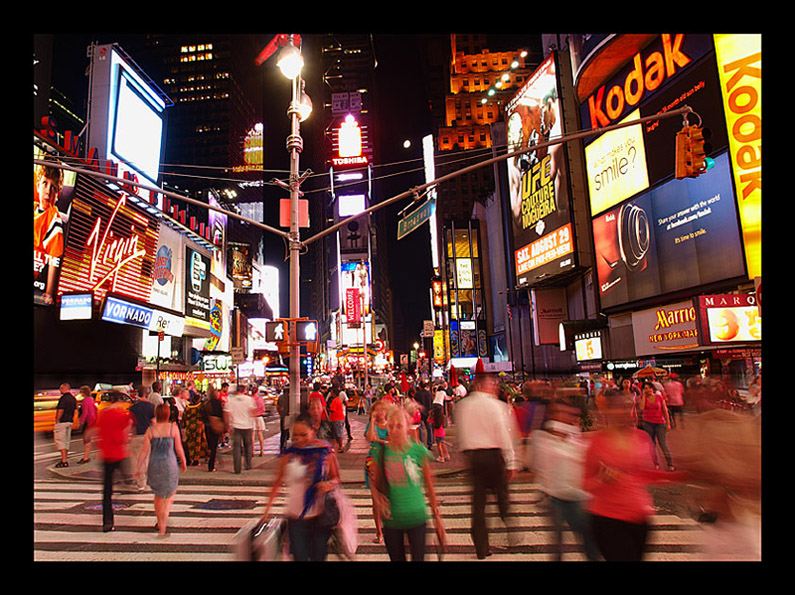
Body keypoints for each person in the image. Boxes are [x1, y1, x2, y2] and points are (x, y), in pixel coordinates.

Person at [583, 390, 686, 561]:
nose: (624, 411)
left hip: (640, 517)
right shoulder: (597, 442)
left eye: (626, 406)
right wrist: (600, 480)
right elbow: (583, 483)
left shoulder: (642, 437)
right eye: (617, 407)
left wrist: (682, 475)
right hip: (607, 518)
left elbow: (645, 474)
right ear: (606, 411)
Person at [260, 412, 341, 561]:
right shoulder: (289, 455)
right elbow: (276, 482)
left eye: (304, 434)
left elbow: (336, 478)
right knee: (299, 557)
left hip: (320, 518)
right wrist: (267, 510)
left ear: (313, 431)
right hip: (296, 518)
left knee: (318, 557)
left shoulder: (325, 452)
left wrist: (328, 484)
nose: (299, 439)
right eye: (295, 435)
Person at [455, 372, 519, 559]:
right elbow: (504, 433)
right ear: (484, 385)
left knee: (478, 505)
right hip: (494, 455)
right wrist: (512, 461)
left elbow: (462, 434)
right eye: (493, 384)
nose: (495, 388)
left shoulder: (463, 406)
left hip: (474, 458)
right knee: (502, 495)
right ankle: (509, 525)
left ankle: (481, 547)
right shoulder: (496, 406)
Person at [370, 405, 446, 562]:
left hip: (417, 517)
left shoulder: (418, 451)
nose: (395, 430)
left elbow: (430, 485)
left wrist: (437, 518)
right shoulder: (381, 453)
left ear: (407, 427)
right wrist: (379, 500)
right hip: (392, 520)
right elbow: (374, 483)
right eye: (391, 426)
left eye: (399, 426)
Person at [530, 400, 601, 561]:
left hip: (579, 499)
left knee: (589, 544)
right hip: (554, 498)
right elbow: (536, 465)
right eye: (558, 412)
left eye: (568, 413)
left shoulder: (578, 438)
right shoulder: (542, 439)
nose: (563, 416)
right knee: (558, 546)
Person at [135, 403, 187, 536]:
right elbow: (178, 448)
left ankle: (160, 522)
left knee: (158, 496)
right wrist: (183, 461)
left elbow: (144, 451)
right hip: (169, 463)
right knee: (169, 495)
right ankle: (163, 525)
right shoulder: (173, 428)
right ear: (168, 414)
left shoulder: (150, 430)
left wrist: (138, 467)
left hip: (154, 464)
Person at [96, 391, 134, 532]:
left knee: (107, 491)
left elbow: (94, 430)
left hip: (106, 455)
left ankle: (107, 521)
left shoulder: (103, 415)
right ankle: (127, 482)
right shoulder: (121, 415)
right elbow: (128, 426)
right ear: (118, 401)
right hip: (119, 453)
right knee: (125, 472)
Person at [364, 400, 389, 543]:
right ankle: (379, 531)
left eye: (382, 410)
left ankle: (391, 528)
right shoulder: (371, 425)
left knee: (388, 496)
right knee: (375, 499)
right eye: (376, 410)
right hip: (373, 461)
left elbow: (391, 441)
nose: (380, 413)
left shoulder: (390, 425)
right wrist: (372, 421)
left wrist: (379, 440)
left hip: (388, 460)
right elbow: (370, 437)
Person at [638, 381, 675, 471]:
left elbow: (664, 410)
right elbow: (641, 408)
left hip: (660, 423)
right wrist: (643, 395)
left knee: (663, 444)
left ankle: (670, 464)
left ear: (653, 389)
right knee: (652, 445)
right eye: (645, 388)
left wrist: (668, 423)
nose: (647, 390)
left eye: (649, 388)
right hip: (648, 423)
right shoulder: (643, 398)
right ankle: (656, 463)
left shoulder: (659, 397)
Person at [224, 384, 257, 473]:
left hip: (235, 426)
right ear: (244, 390)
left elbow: (227, 413)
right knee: (248, 446)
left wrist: (227, 426)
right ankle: (248, 464)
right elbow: (253, 412)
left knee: (237, 448)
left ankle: (237, 468)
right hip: (247, 425)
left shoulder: (231, 401)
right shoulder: (249, 400)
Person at [127, 386, 155, 488]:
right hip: (147, 435)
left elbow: (130, 423)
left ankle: (138, 478)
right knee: (145, 458)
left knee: (135, 458)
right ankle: (142, 479)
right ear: (146, 395)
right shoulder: (151, 407)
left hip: (136, 435)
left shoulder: (133, 407)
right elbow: (154, 421)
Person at [54, 383, 77, 468]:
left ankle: (63, 461)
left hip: (62, 422)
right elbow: (75, 410)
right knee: (66, 441)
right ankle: (65, 459)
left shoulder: (63, 398)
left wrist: (57, 420)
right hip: (69, 421)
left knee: (60, 441)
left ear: (64, 388)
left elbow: (61, 410)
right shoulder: (73, 398)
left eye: (60, 389)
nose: (60, 390)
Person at [202, 385, 225, 472]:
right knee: (214, 445)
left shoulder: (206, 403)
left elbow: (203, 415)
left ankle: (210, 460)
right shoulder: (217, 403)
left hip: (207, 425)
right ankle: (212, 463)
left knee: (210, 444)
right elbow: (221, 413)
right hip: (215, 424)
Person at [182, 391, 208, 466]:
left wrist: (184, 426)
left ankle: (190, 458)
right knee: (198, 443)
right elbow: (204, 415)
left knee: (190, 443)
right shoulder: (200, 406)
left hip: (189, 426)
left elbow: (184, 417)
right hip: (198, 427)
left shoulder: (188, 407)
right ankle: (196, 459)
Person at [76, 385, 98, 465]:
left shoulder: (85, 401)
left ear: (83, 393)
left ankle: (86, 457)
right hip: (92, 421)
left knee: (86, 440)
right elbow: (96, 409)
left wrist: (81, 422)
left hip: (88, 422)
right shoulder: (91, 399)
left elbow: (85, 413)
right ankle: (86, 456)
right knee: (88, 440)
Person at [414, 380, 434, 450]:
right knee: (429, 429)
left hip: (420, 413)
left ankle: (422, 444)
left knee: (421, 429)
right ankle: (430, 444)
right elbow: (431, 402)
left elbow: (415, 403)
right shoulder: (429, 393)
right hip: (428, 412)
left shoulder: (417, 394)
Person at [327, 386, 346, 453]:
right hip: (339, 418)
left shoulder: (335, 400)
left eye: (331, 392)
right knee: (338, 433)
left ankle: (340, 446)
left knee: (339, 433)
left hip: (337, 419)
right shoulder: (338, 400)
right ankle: (339, 446)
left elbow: (332, 410)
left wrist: (327, 409)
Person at [251, 386, 268, 456]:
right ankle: (262, 450)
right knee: (260, 434)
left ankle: (252, 451)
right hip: (259, 417)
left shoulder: (250, 399)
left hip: (251, 418)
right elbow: (263, 409)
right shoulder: (260, 399)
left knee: (252, 435)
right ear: (257, 391)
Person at [277, 387, 291, 454]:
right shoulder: (291, 397)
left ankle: (282, 446)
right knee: (288, 433)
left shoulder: (281, 397)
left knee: (283, 433)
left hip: (283, 416)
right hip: (288, 416)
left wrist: (281, 413)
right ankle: (285, 446)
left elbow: (278, 407)